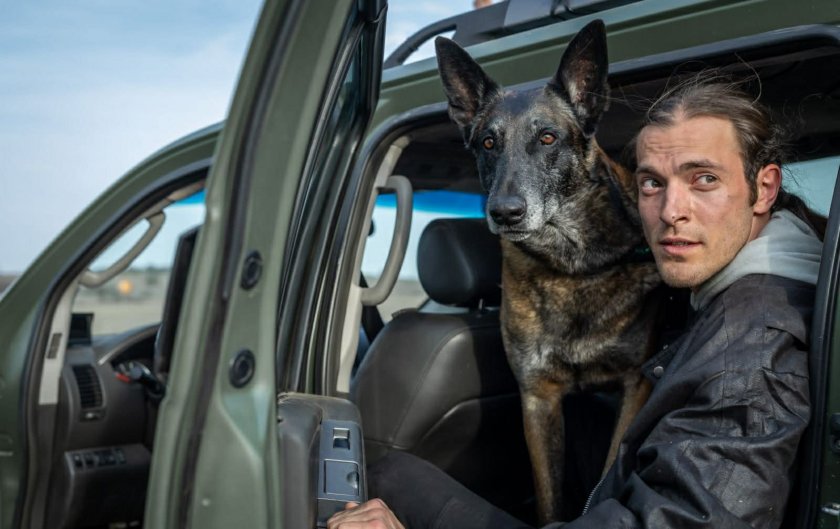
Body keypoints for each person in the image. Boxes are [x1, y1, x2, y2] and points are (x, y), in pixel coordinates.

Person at [327, 78, 825, 529]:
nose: (671, 212)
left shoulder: (750, 352)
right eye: (652, 183)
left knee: (387, 478)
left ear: (764, 189)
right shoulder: (749, 295)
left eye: (704, 180)